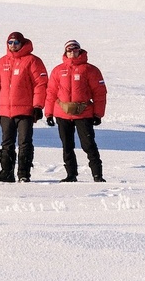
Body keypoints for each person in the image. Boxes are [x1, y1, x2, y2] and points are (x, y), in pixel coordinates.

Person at [44, 40, 108, 182]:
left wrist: (98, 114)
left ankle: (97, 175)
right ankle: (71, 175)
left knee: (88, 145)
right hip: (62, 113)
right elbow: (51, 92)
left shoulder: (90, 70)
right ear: (65, 52)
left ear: (80, 51)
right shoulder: (58, 70)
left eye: (75, 49)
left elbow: (99, 93)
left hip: (84, 113)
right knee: (67, 146)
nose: (72, 52)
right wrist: (48, 113)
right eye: (69, 50)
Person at [0, 31, 48, 183]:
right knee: (6, 143)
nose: (13, 45)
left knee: (24, 143)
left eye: (16, 43)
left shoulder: (32, 61)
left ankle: (23, 173)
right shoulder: (2, 62)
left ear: (22, 44)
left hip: (25, 110)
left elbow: (40, 84)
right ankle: (6, 173)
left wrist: (37, 106)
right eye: (10, 43)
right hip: (5, 111)